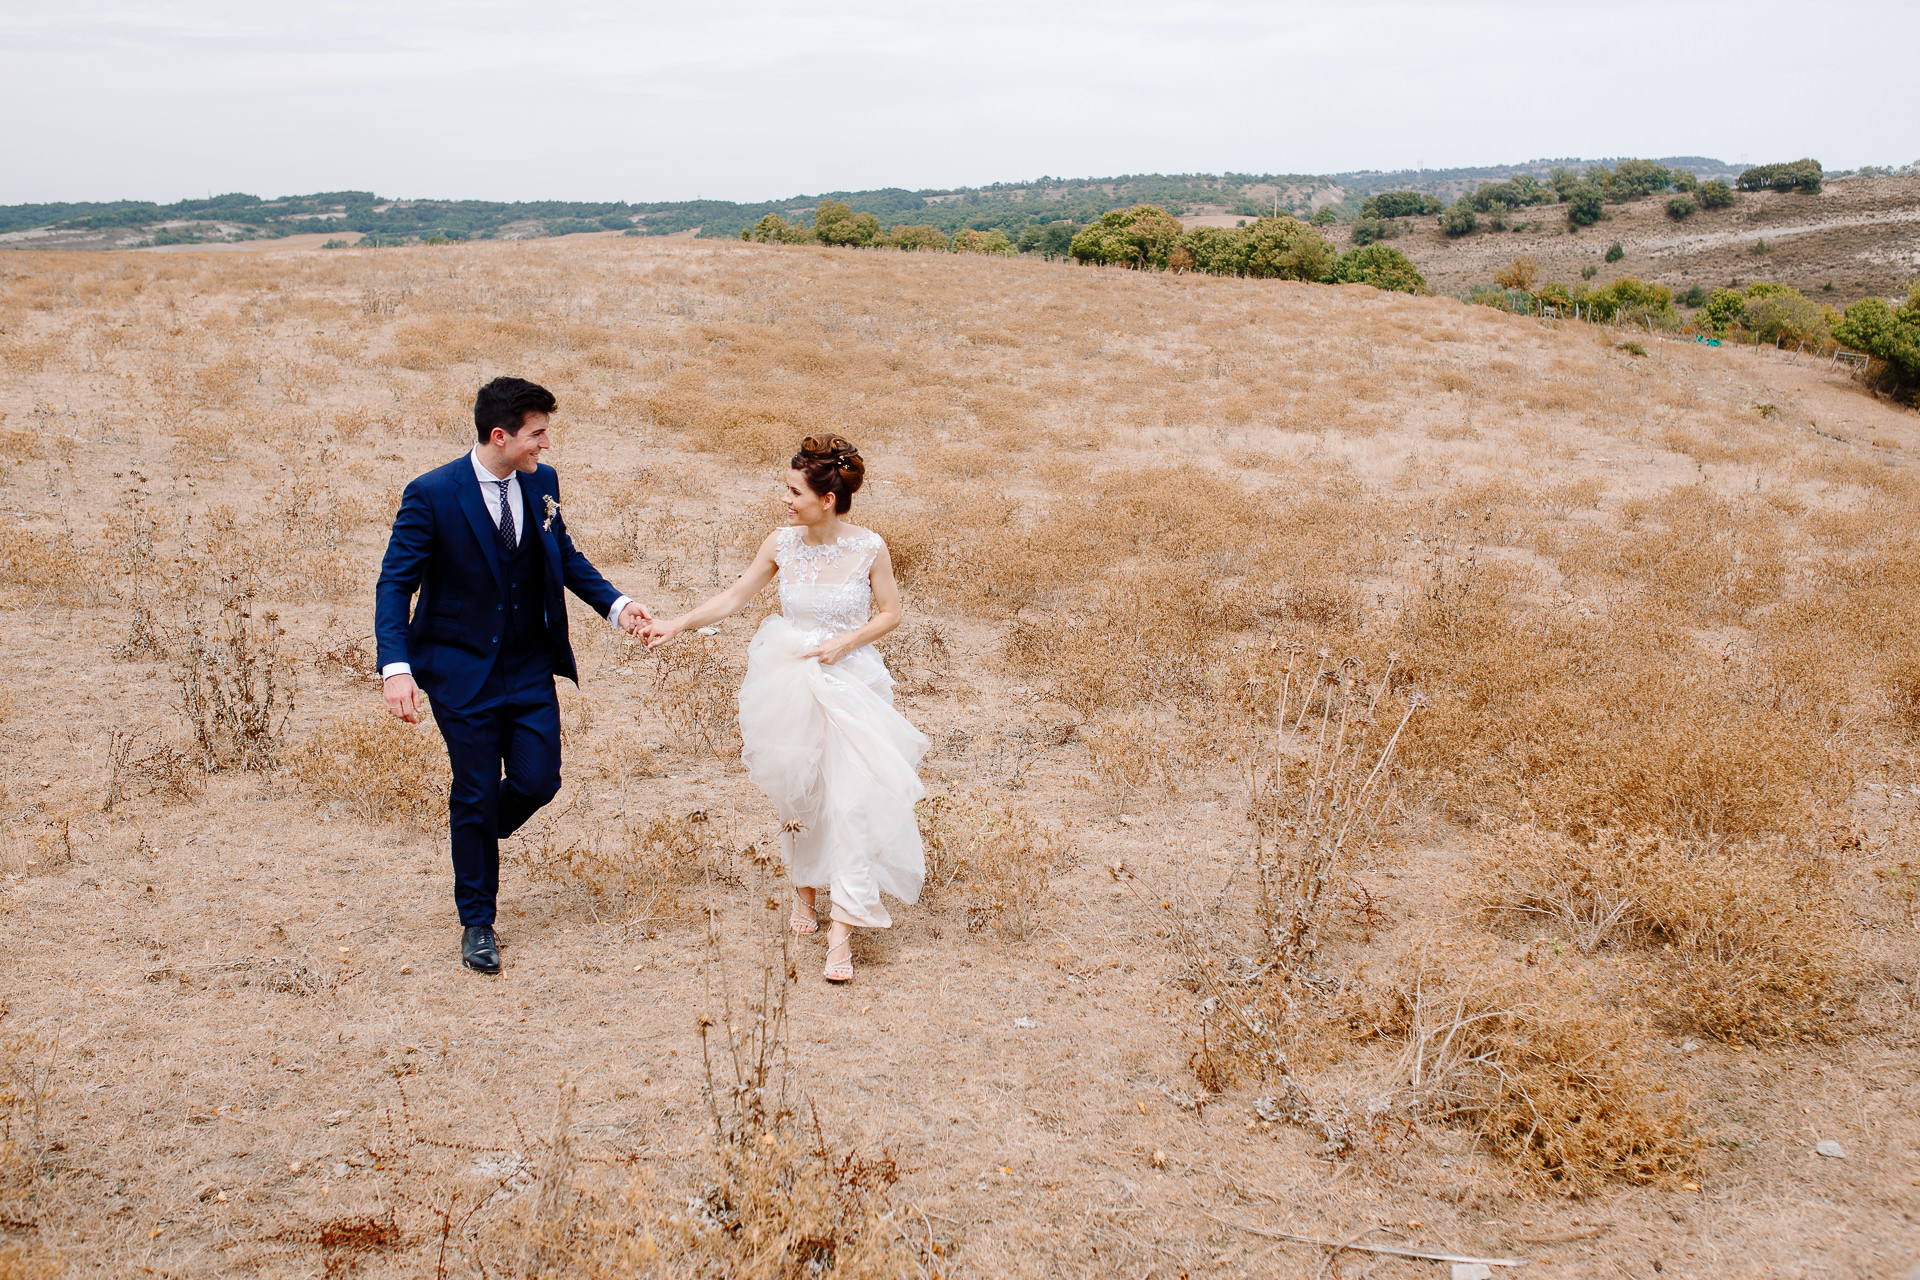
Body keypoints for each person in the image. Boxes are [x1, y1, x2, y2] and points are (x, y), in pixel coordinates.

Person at [375, 376, 651, 975]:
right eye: (537, 434)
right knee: (474, 789)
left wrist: (617, 605)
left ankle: (471, 832)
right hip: (459, 670)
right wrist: (396, 667)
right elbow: (396, 583)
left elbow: (565, 556)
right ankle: (477, 921)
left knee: (538, 781)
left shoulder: (542, 483)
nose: (545, 445)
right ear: (500, 436)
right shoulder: (432, 494)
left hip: (528, 666)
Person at [647, 435, 926, 983]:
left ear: (827, 498)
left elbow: (891, 612)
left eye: (794, 491)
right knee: (799, 792)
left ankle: (842, 929)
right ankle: (804, 894)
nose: (785, 499)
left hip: (851, 681)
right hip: (791, 677)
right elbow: (733, 598)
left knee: (852, 801)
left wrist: (847, 642)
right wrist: (676, 624)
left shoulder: (870, 546)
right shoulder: (782, 543)